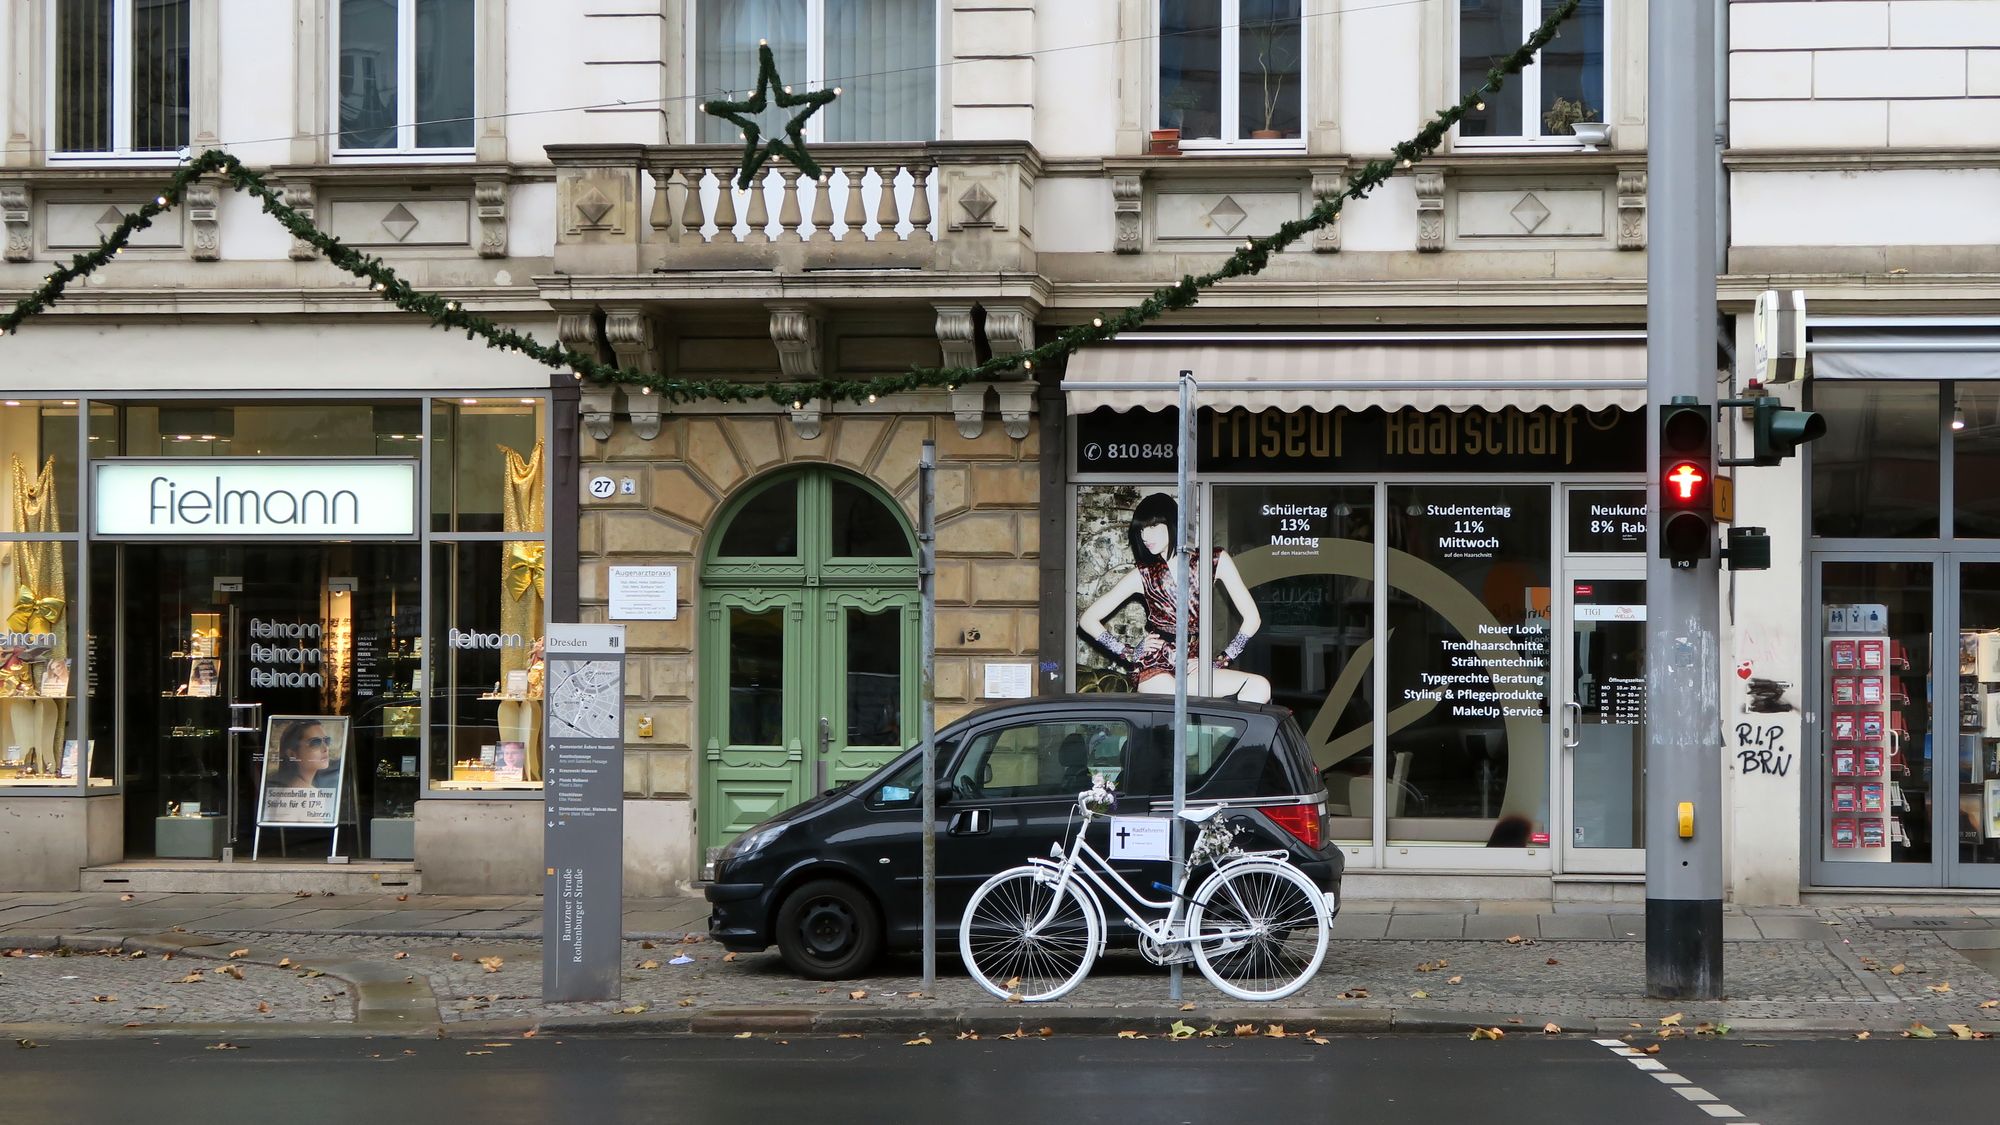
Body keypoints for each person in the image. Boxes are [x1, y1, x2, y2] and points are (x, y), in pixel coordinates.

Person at [1077, 493, 1271, 702]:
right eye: (1141, 530)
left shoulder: (1214, 560)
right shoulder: (1143, 574)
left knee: (1259, 687)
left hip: (1193, 665)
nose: (1144, 536)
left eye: (1152, 527)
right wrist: (1129, 653)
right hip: (1154, 667)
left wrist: (1221, 660)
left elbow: (1253, 618)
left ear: (1172, 523)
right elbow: (1087, 620)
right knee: (1176, 698)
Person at [269, 720, 337, 789]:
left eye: (327, 740)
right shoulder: (310, 794)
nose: (325, 749)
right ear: (292, 754)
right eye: (315, 743)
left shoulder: (284, 784)